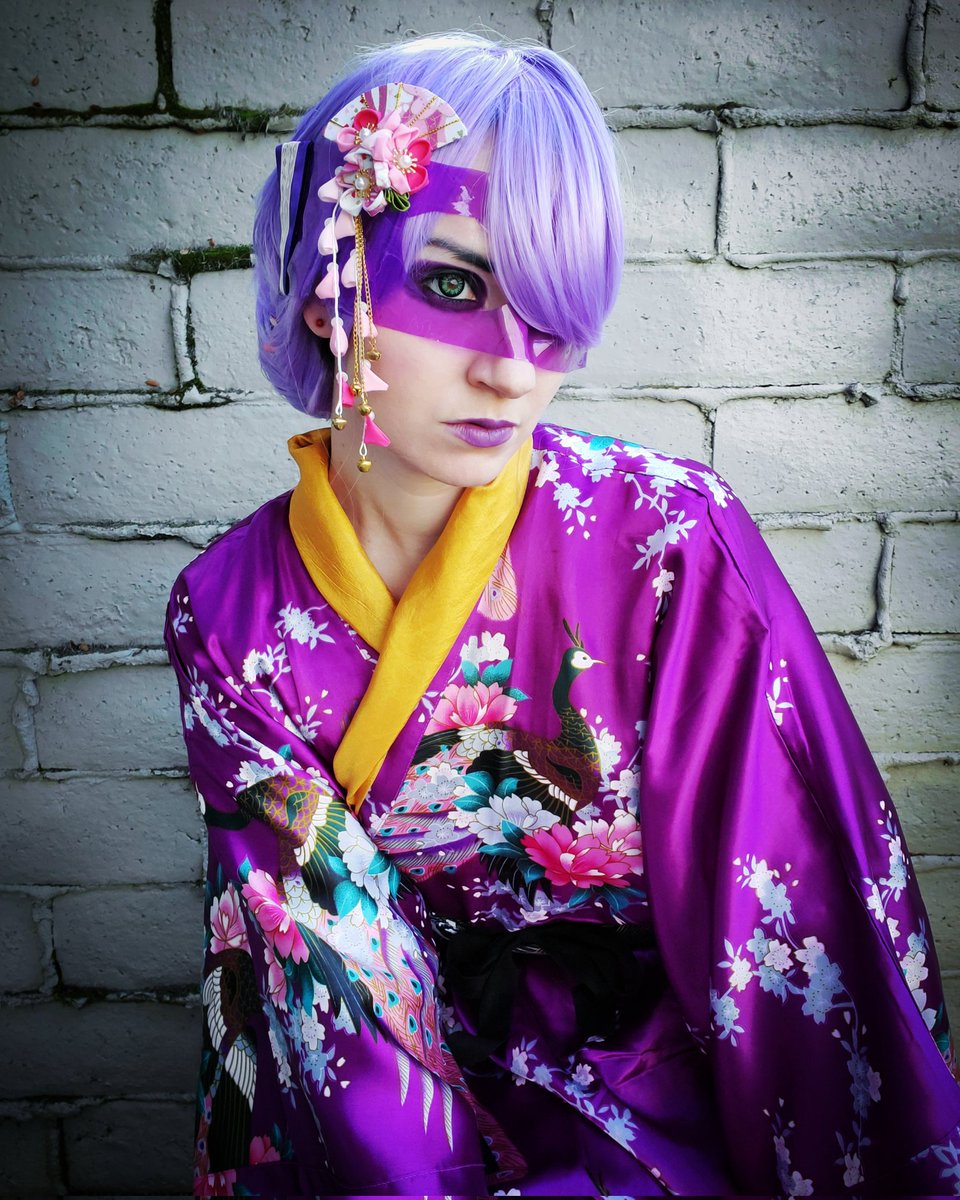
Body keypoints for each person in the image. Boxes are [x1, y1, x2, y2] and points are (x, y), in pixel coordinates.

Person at [165, 32, 960, 1198]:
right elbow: (323, 994)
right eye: (454, 286)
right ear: (333, 279)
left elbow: (794, 936)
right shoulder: (230, 613)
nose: (513, 369)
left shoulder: (667, 542)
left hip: (668, 1125)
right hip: (393, 1133)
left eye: (549, 312)